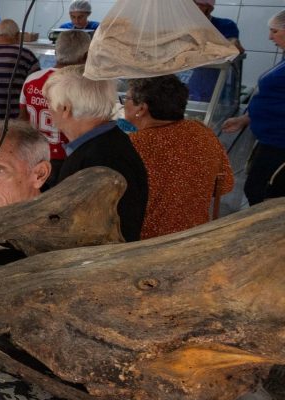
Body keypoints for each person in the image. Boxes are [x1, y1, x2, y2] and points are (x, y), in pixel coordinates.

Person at [44, 65, 148, 242]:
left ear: (65, 109)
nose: (48, 109)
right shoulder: (109, 142)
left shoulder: (97, 159)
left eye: (48, 102)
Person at [124, 76, 233, 239]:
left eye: (126, 99)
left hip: (145, 243)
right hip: (196, 235)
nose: (123, 104)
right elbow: (225, 185)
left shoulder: (132, 145)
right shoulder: (202, 131)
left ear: (141, 109)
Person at [221, 10, 285, 206]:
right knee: (255, 188)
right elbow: (272, 98)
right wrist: (245, 119)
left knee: (265, 192)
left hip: (280, 142)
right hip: (268, 138)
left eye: (274, 31)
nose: (269, 37)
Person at [19, 29, 89, 185]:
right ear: (86, 55)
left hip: (35, 155)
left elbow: (22, 118)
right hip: (68, 158)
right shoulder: (80, 85)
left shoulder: (32, 79)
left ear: (56, 51)